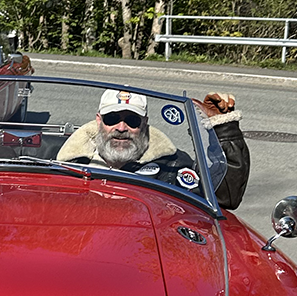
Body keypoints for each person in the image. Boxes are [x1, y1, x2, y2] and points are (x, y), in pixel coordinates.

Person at [55, 89, 250, 209]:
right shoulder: (65, 163)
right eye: (112, 119)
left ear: (144, 123)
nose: (121, 128)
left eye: (132, 120)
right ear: (99, 121)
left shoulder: (172, 165)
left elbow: (225, 197)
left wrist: (224, 129)